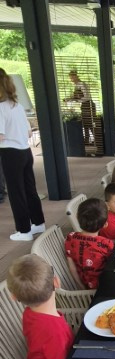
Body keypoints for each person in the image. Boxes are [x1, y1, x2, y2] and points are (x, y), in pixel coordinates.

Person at [0, 68, 45, 242]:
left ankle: (24, 230)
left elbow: (1, 136)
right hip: (25, 152)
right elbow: (28, 132)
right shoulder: (16, 105)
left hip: (10, 153)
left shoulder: (0, 108)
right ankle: (38, 223)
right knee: (29, 189)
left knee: (16, 192)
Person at [64, 197, 114, 289]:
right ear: (105, 224)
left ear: (77, 217)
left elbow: (72, 267)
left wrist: (81, 287)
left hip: (84, 288)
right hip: (103, 289)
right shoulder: (107, 244)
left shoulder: (70, 238)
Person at [65, 70, 96, 145]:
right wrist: (69, 99)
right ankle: (87, 140)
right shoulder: (77, 86)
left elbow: (87, 97)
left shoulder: (82, 84)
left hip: (88, 105)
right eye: (70, 78)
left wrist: (76, 100)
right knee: (86, 124)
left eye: (72, 78)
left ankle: (96, 140)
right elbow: (76, 96)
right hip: (84, 105)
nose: (71, 80)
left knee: (89, 124)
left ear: (76, 76)